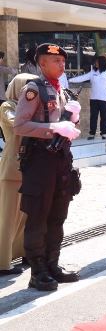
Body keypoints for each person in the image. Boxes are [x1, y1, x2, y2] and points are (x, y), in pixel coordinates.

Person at [14, 43, 82, 291]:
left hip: (61, 160)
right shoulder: (33, 90)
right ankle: (37, 270)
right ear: (42, 64)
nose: (62, 64)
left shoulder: (62, 91)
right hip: (40, 161)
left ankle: (53, 264)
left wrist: (72, 120)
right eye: (56, 61)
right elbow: (19, 126)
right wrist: (52, 128)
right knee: (38, 217)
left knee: (57, 215)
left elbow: (65, 125)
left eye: (63, 61)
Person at [0, 74, 38, 276]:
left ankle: (22, 253)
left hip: (28, 167)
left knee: (25, 215)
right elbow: (18, 125)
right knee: (8, 216)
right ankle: (2, 262)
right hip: (12, 167)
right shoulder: (7, 106)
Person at [69, 56, 106, 140]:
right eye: (95, 62)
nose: (95, 63)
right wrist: (69, 80)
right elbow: (82, 78)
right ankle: (92, 133)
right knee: (93, 117)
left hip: (105, 99)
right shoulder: (92, 73)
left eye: (97, 62)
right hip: (94, 99)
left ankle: (104, 133)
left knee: (104, 117)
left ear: (102, 62)